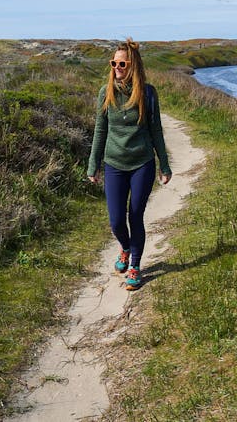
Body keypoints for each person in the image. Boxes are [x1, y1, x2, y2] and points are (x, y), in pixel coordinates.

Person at [87, 38, 171, 291]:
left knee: (135, 216)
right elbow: (100, 131)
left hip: (141, 164)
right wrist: (94, 165)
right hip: (114, 163)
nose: (117, 67)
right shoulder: (106, 91)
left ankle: (135, 266)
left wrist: (164, 165)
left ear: (133, 65)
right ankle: (125, 248)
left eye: (122, 63)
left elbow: (156, 130)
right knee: (115, 220)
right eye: (114, 63)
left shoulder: (147, 93)